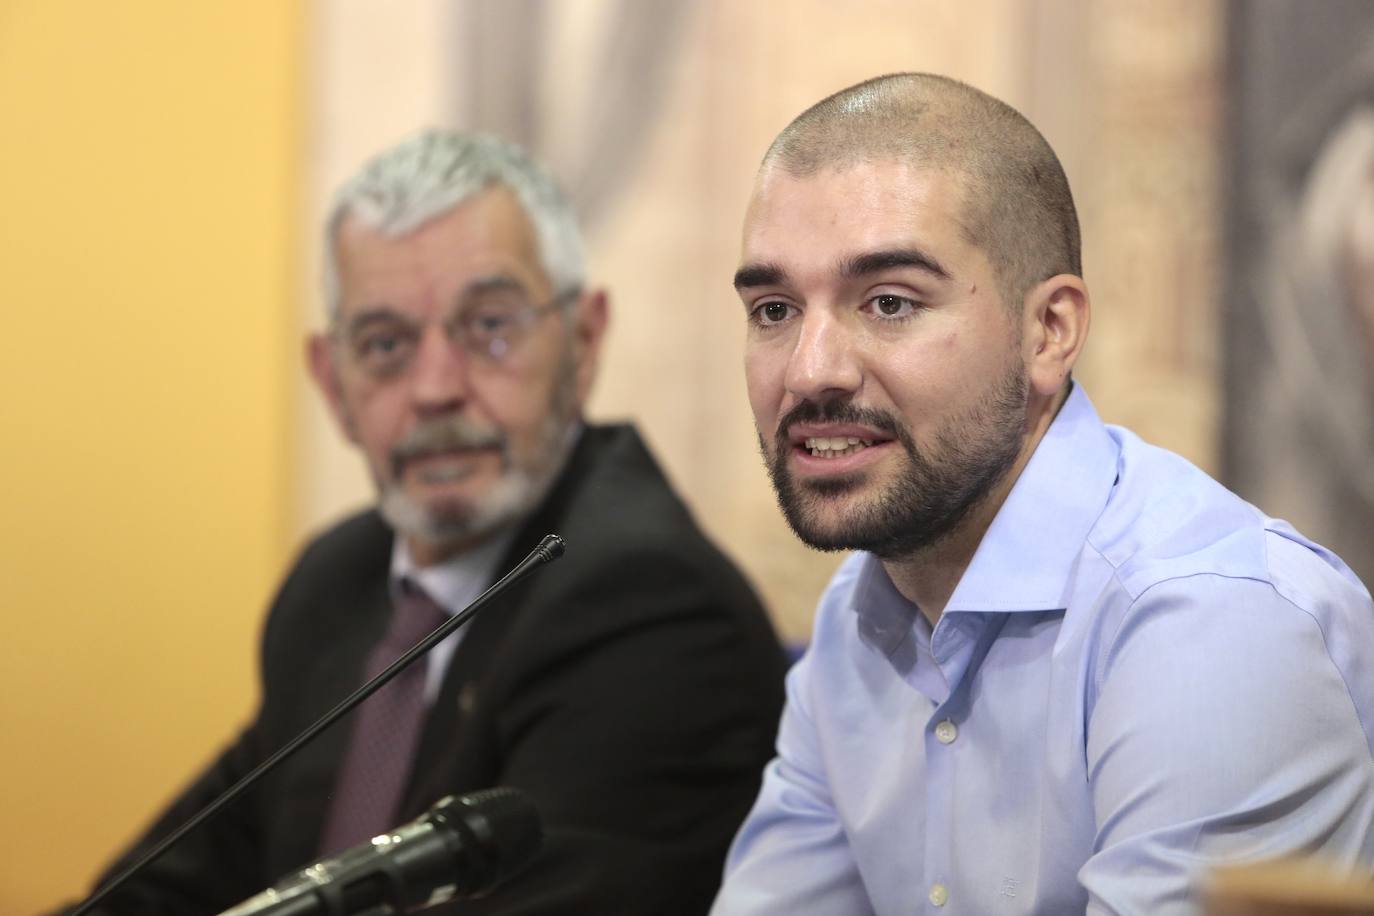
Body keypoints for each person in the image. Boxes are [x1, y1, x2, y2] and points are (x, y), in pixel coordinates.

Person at [74, 129, 788, 915]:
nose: (436, 389)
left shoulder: (650, 609)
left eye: (489, 327)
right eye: (386, 345)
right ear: (332, 382)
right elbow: (179, 877)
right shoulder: (337, 581)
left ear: (583, 343)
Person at [711, 73, 1374, 915]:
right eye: (773, 311)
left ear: (1049, 332)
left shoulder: (1211, 620)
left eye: (888, 302)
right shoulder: (859, 621)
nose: (809, 372)